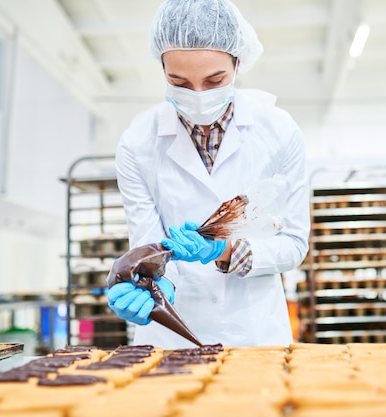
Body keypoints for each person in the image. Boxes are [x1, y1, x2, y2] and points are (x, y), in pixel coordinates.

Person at [107, 0, 310, 349]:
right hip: (172, 336)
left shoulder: (278, 132)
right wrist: (149, 282)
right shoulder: (137, 144)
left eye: (215, 79)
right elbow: (147, 244)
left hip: (254, 334)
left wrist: (226, 250)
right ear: (162, 69)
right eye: (179, 82)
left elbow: (293, 243)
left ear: (238, 62)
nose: (198, 95)